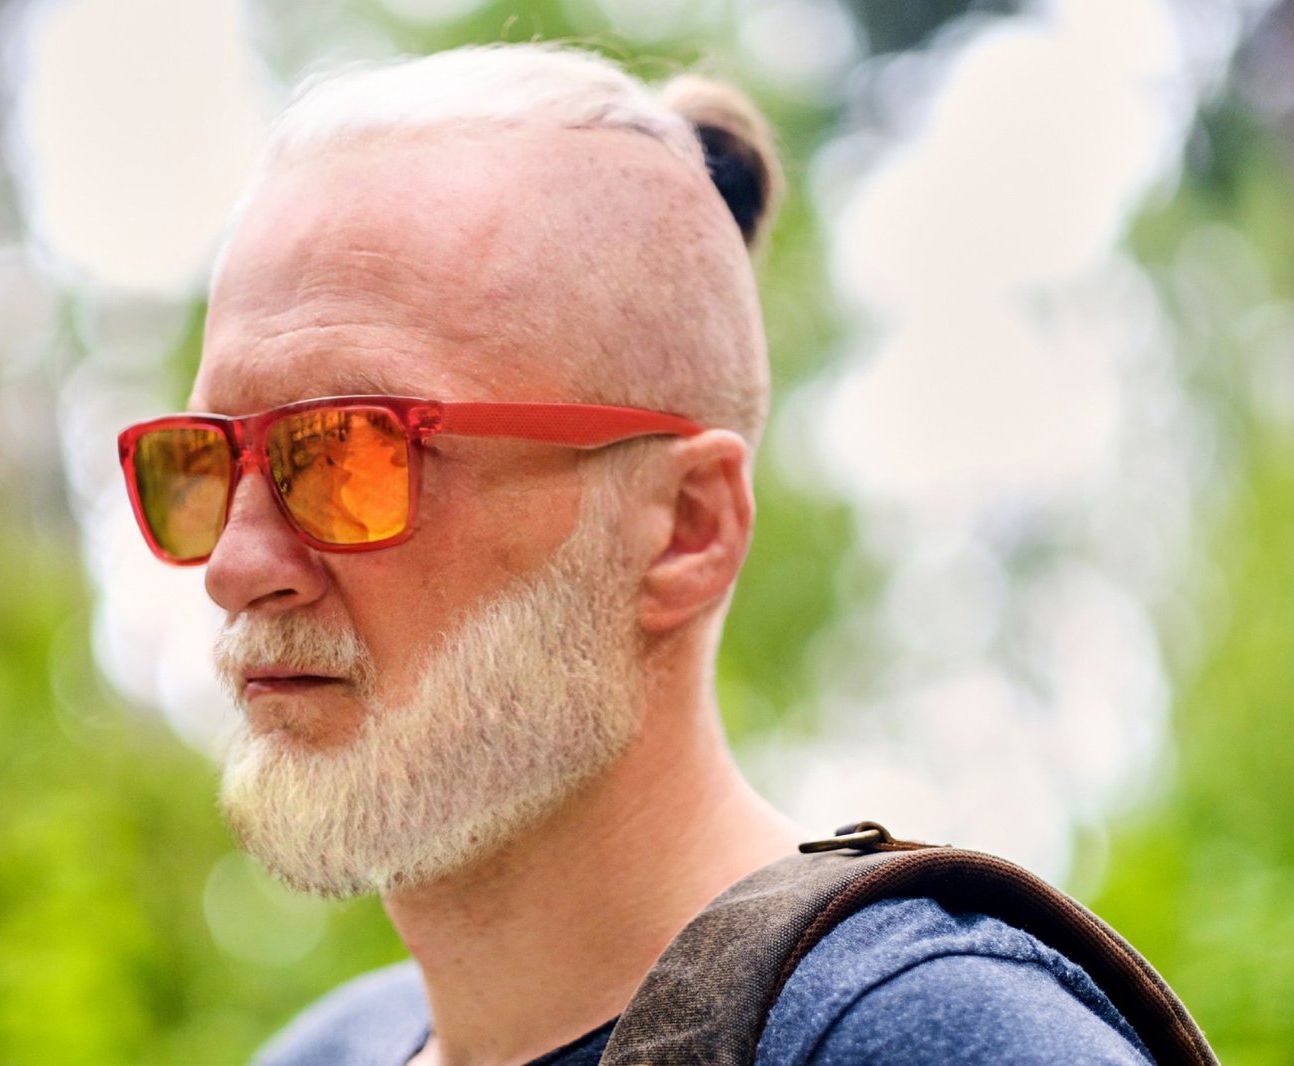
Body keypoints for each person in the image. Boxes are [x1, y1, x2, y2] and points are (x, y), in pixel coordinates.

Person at [117, 44, 1154, 1065]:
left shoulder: (914, 1039)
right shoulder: (323, 1051)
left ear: (683, 526)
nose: (235, 565)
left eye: (350, 449)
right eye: (201, 461)